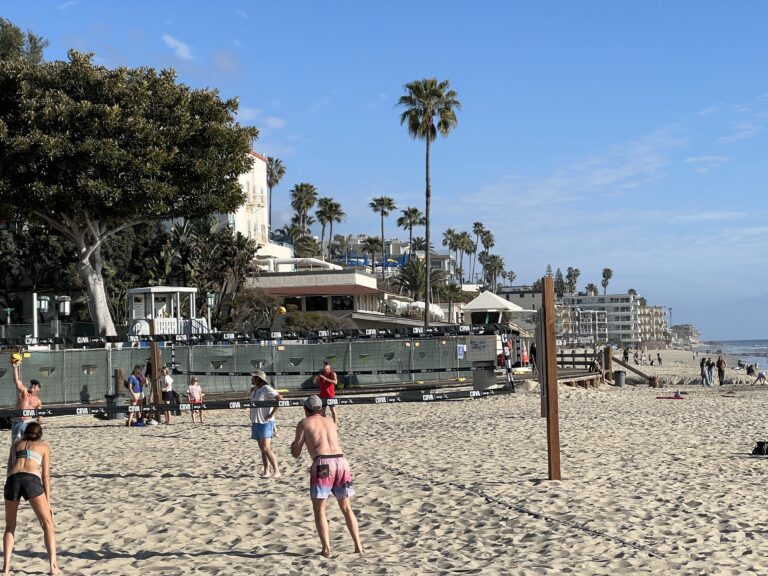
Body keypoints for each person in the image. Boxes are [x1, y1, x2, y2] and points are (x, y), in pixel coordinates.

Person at [291, 395, 362, 558]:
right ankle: (358, 546)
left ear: (305, 409)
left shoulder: (304, 423)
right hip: (341, 462)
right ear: (321, 408)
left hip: (323, 463)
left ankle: (326, 549)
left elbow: (296, 453)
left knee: (319, 509)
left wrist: (293, 446)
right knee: (346, 507)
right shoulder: (330, 421)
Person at [3, 422, 60, 575]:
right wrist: (48, 503)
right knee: (48, 524)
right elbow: (45, 476)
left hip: (12, 481)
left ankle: (6, 568)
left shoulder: (15, 445)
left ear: (25, 432)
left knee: (10, 526)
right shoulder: (43, 446)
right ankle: (53, 567)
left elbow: (9, 471)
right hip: (31, 480)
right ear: (40, 434)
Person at [249, 371, 282, 479]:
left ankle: (277, 471)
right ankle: (266, 471)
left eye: (253, 377)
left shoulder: (267, 388)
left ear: (258, 379)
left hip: (265, 422)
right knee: (262, 449)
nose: (251, 379)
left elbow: (280, 399)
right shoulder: (253, 390)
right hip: (256, 422)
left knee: (266, 448)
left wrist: (271, 414)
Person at [10, 359, 42, 442]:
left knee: (28, 442)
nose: (33, 385)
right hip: (18, 421)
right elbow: (16, 381)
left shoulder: (38, 401)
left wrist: (40, 418)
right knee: (16, 443)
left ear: (38, 389)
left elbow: (40, 411)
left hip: (28, 422)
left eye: (35, 384)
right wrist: (15, 368)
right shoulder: (24, 391)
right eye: (32, 384)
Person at [314, 361, 338, 425]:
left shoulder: (332, 373)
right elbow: (316, 382)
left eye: (326, 367)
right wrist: (315, 379)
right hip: (322, 395)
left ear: (329, 367)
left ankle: (335, 424)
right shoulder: (321, 374)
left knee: (333, 410)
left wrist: (326, 378)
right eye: (324, 366)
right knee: (322, 411)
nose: (325, 368)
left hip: (330, 395)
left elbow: (335, 382)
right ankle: (325, 424)